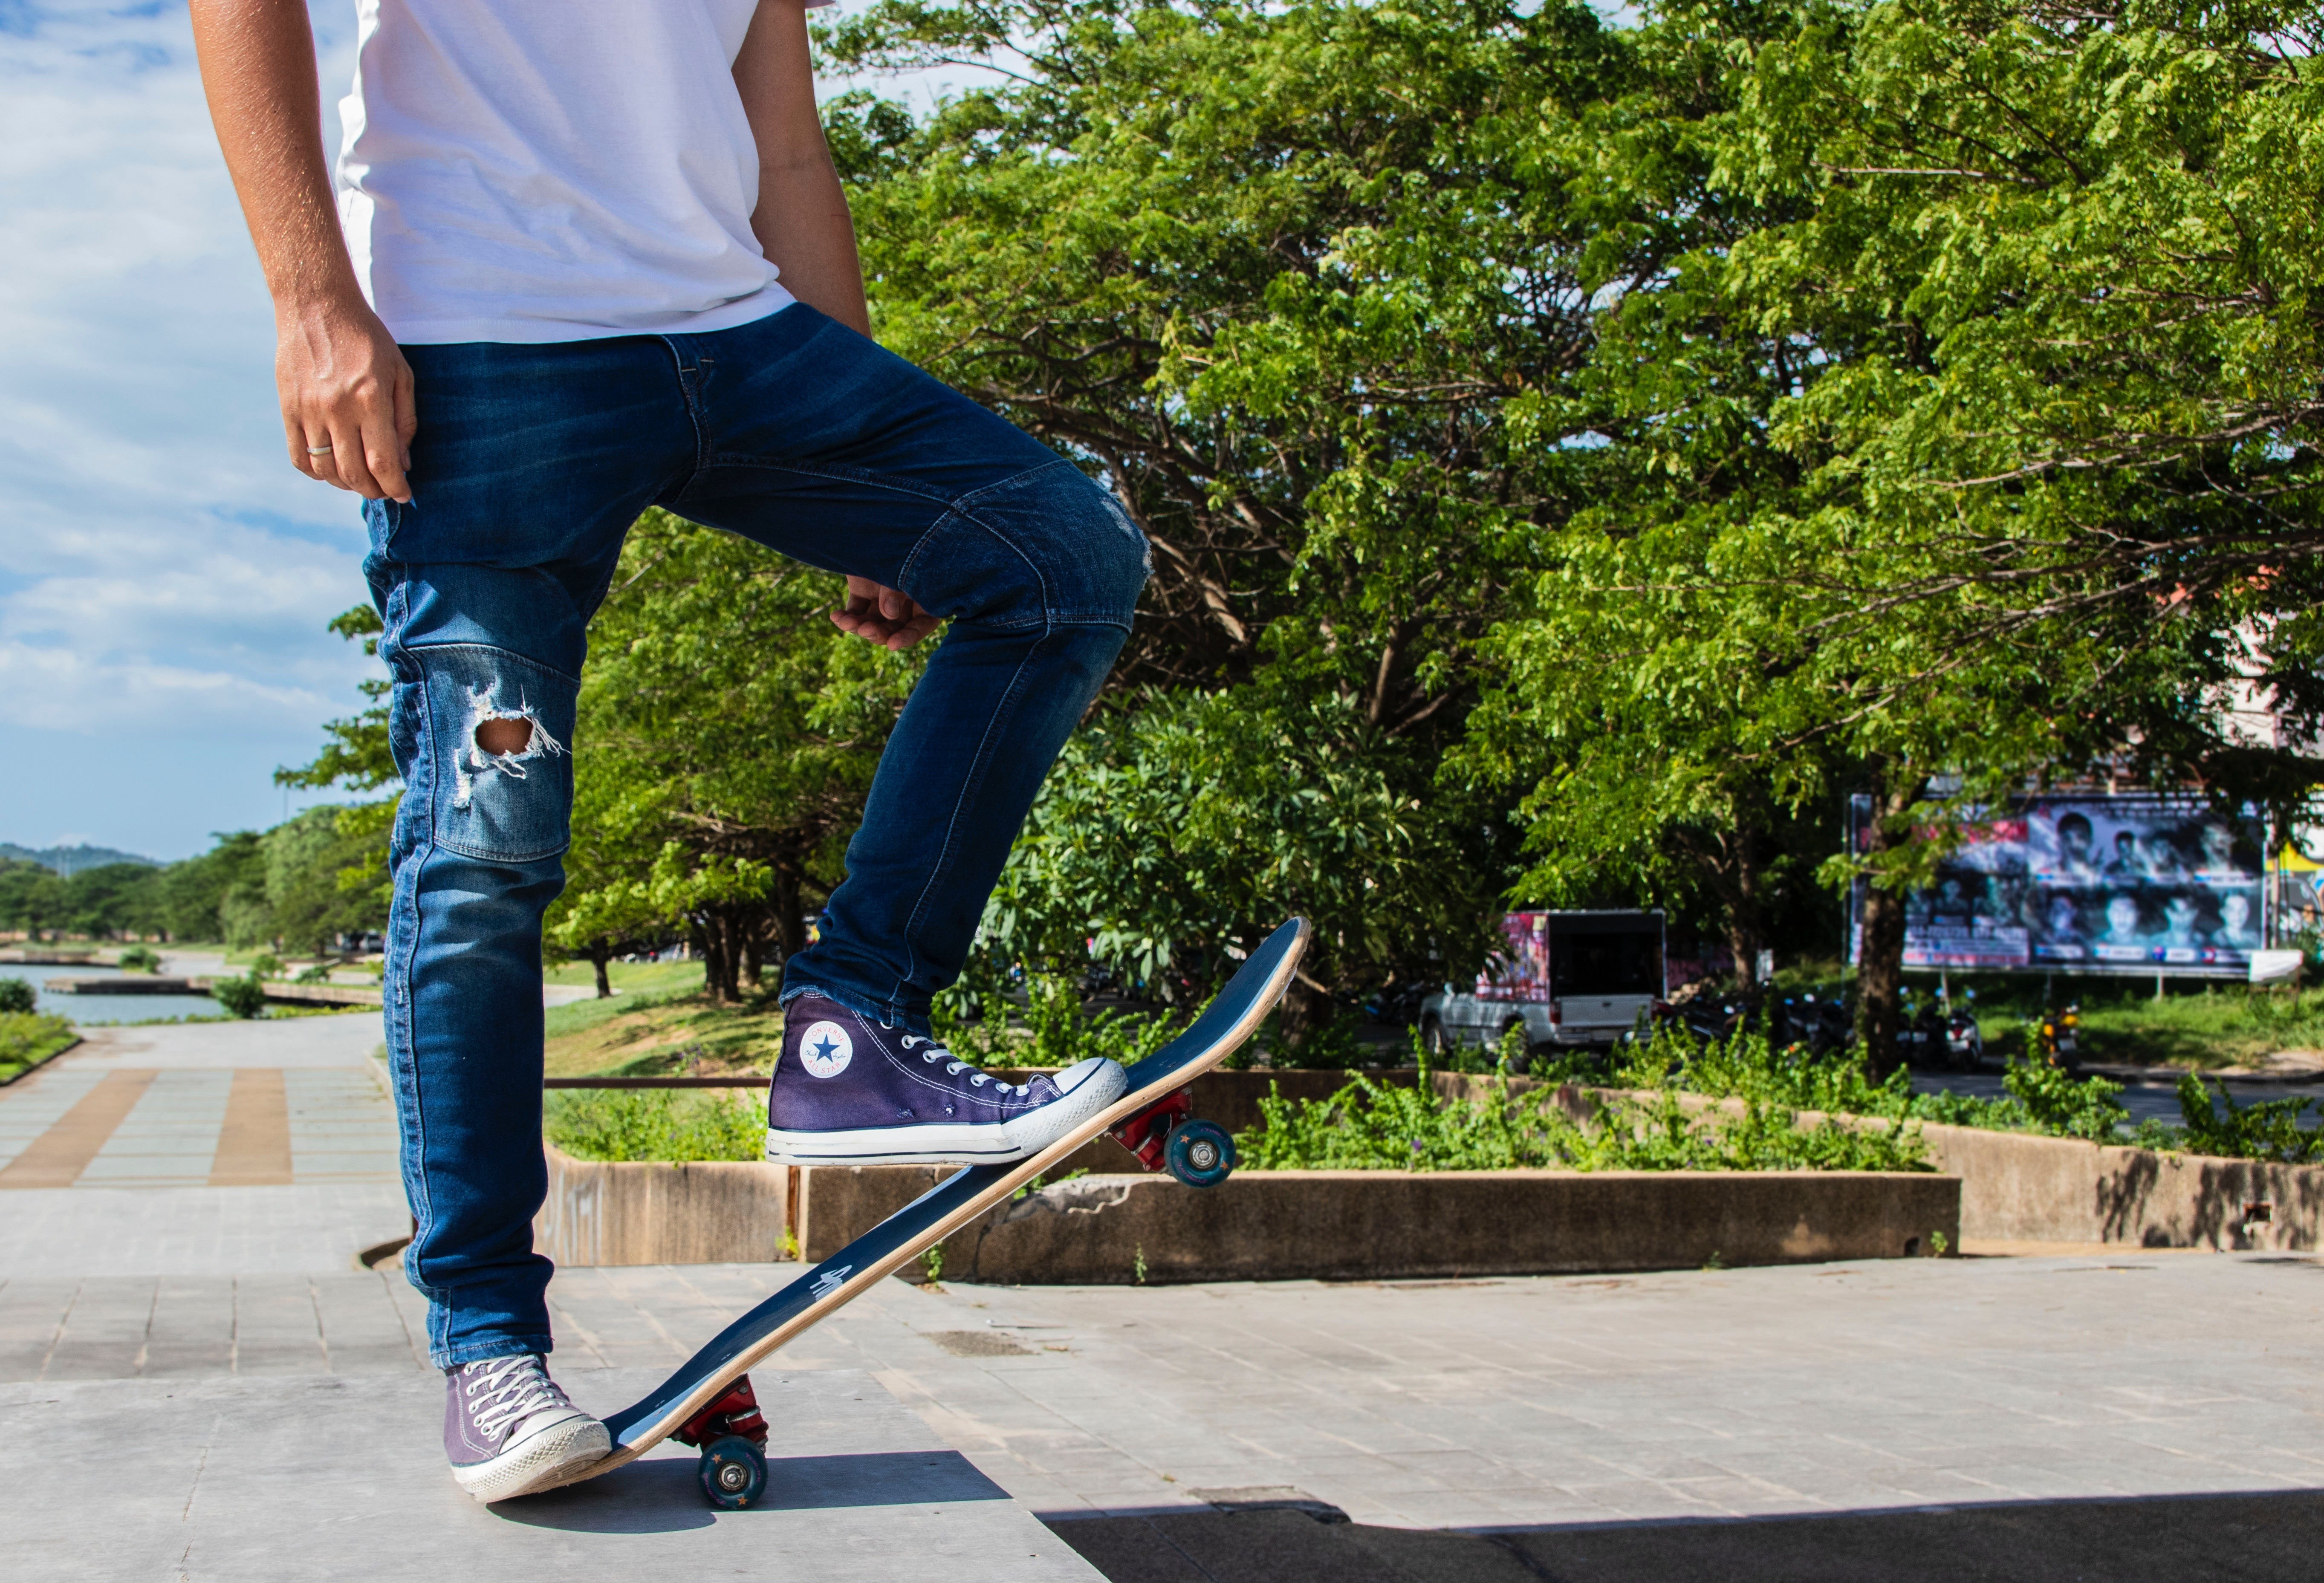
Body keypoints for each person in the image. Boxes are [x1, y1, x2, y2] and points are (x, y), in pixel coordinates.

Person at [191, 0, 1145, 1503]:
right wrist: (315, 302)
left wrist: (867, 475)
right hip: (476, 346)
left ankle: (852, 1033)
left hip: (744, 343)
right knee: (486, 850)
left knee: (1058, 559)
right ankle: (490, 1342)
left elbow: (781, 140)